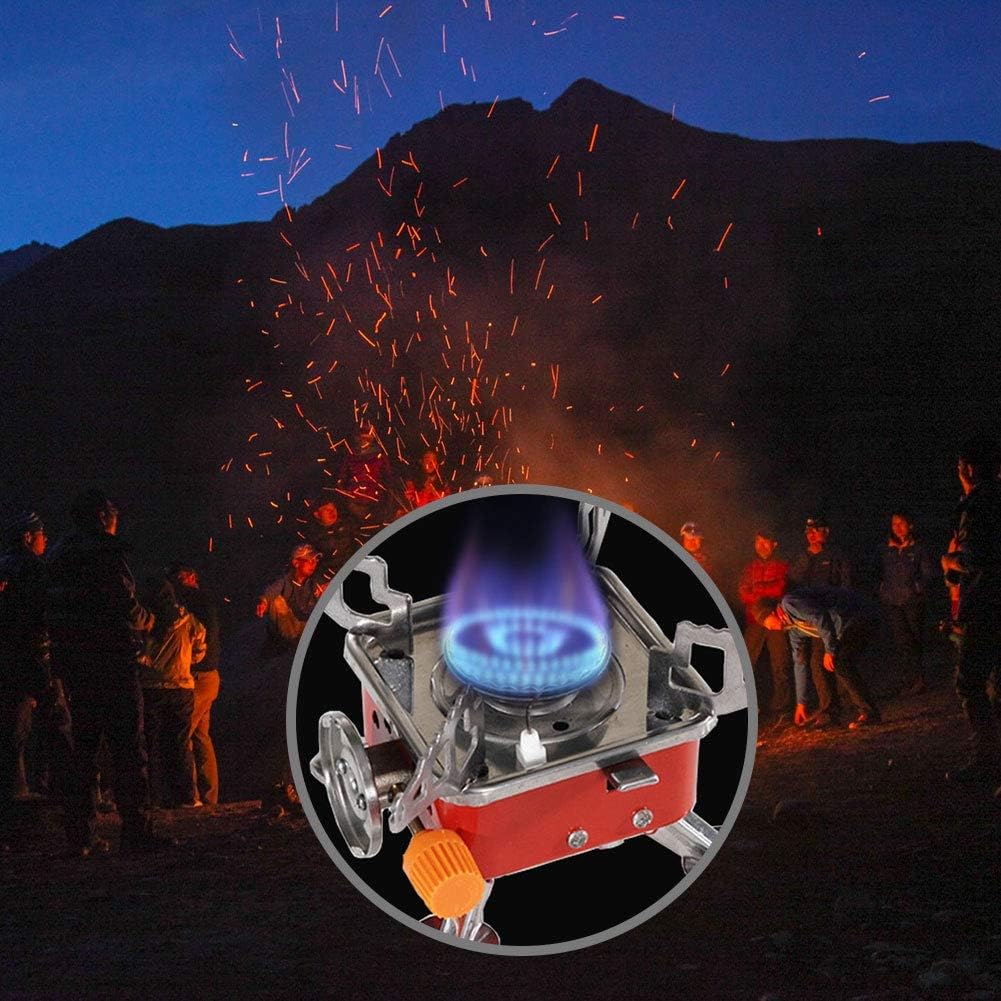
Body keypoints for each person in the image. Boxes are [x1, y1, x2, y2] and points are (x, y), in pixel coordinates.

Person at [47, 489, 165, 855]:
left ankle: (79, 835)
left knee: (82, 749)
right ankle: (136, 830)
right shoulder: (106, 551)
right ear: (102, 516)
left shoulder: (59, 555)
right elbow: (123, 602)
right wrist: (149, 621)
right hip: (112, 661)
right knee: (128, 747)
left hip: (76, 665)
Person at [0, 511, 71, 816]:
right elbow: (49, 608)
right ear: (28, 537)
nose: (46, 540)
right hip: (36, 653)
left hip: (8, 655)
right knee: (58, 720)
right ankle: (67, 788)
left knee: (13, 724)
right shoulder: (34, 567)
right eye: (41, 534)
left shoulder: (4, 565)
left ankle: (13, 788)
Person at [939, 435, 1001, 787]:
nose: (958, 470)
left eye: (961, 464)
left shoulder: (978, 505)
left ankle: (987, 759)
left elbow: (977, 560)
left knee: (970, 683)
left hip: (987, 607)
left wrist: (950, 561)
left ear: (970, 468)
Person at [752, 586, 881, 730]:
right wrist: (801, 702)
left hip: (854, 616)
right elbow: (800, 663)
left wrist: (830, 651)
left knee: (840, 662)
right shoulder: (794, 629)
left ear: (772, 613)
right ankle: (829, 714)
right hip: (837, 629)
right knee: (817, 663)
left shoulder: (789, 603)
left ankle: (869, 713)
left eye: (766, 623)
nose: (769, 628)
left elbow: (820, 616)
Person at [255, 544, 323, 814]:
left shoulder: (312, 586)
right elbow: (270, 592)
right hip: (288, 642)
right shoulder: (283, 585)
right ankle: (281, 786)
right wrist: (263, 602)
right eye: (308, 561)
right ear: (296, 562)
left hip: (302, 638)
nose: (313, 564)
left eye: (315, 561)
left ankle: (293, 785)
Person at [141, 579, 205, 808]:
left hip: (152, 687)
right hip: (182, 687)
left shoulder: (148, 619)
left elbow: (139, 653)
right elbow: (200, 646)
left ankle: (153, 797)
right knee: (179, 743)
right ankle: (186, 797)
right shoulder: (189, 619)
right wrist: (188, 661)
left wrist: (147, 665)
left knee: (152, 744)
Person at [788, 515, 853, 727]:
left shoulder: (837, 555)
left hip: (834, 617)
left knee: (831, 660)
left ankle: (841, 705)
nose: (811, 535)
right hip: (812, 619)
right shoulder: (803, 558)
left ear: (826, 531)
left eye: (815, 530)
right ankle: (829, 708)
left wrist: (842, 612)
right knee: (816, 662)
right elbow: (793, 585)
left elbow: (846, 585)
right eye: (808, 531)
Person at [171, 564, 221, 806]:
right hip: (209, 676)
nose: (177, 583)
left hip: (199, 677)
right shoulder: (206, 601)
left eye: (180, 578)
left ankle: (190, 796)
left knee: (183, 735)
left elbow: (199, 639)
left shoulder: (192, 602)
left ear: (191, 577)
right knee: (201, 736)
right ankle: (209, 797)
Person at [737, 529, 795, 727]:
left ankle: (782, 708)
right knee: (746, 663)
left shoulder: (783, 565)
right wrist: (765, 590)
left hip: (776, 620)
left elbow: (780, 589)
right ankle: (750, 705)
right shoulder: (749, 567)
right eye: (758, 542)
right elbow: (743, 593)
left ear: (774, 544)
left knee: (781, 663)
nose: (761, 546)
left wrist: (757, 589)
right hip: (755, 621)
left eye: (765, 542)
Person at [878, 510, 937, 696]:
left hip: (912, 601)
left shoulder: (918, 548)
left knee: (914, 640)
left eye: (901, 523)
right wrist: (882, 590)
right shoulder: (887, 550)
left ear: (910, 525)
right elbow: (878, 572)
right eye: (894, 524)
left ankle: (918, 680)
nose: (897, 528)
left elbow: (928, 574)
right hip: (893, 601)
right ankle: (908, 679)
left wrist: (917, 588)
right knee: (902, 641)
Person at [302, 499, 351, 584]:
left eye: (334, 508)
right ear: (317, 514)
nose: (332, 512)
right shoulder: (312, 537)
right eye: (326, 509)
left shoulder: (348, 525)